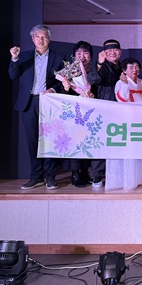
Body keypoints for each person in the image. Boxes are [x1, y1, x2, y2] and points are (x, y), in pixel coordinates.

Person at [8, 25, 65, 190]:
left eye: (44, 37)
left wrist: (52, 89)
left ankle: (50, 177)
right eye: (37, 37)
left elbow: (63, 81)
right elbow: (13, 75)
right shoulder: (24, 56)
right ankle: (36, 177)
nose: (41, 40)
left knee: (50, 141)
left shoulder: (58, 57)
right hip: (29, 103)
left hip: (49, 103)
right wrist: (14, 59)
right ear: (33, 39)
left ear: (49, 39)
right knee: (33, 141)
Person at [60, 40, 100, 188]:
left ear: (91, 55)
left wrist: (92, 95)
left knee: (89, 142)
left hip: (91, 112)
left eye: (86, 53)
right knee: (76, 142)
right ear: (74, 55)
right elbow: (63, 93)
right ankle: (75, 174)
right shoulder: (70, 71)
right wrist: (66, 87)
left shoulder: (95, 70)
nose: (82, 56)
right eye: (79, 53)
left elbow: (100, 89)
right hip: (74, 112)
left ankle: (85, 172)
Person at [111, 57, 142, 190]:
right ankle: (129, 180)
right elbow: (121, 99)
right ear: (124, 70)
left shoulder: (141, 82)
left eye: (136, 67)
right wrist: (125, 84)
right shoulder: (120, 83)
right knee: (130, 151)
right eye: (131, 67)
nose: (134, 70)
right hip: (128, 121)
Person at [92, 39, 123, 188]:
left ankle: (115, 174)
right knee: (101, 142)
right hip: (104, 109)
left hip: (121, 110)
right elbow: (93, 80)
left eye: (115, 50)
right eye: (108, 50)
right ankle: (97, 176)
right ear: (103, 53)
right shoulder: (100, 66)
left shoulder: (122, 67)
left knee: (117, 142)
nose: (112, 53)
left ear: (120, 52)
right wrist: (99, 63)